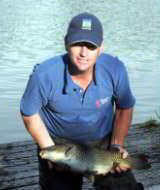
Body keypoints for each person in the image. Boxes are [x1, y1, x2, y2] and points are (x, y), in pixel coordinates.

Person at [20, 12, 143, 190]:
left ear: (101, 48)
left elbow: (124, 107)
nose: (84, 53)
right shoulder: (43, 75)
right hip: (58, 143)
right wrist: (51, 150)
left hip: (101, 142)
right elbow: (29, 113)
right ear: (66, 43)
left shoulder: (115, 69)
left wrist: (117, 145)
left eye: (91, 46)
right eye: (78, 44)